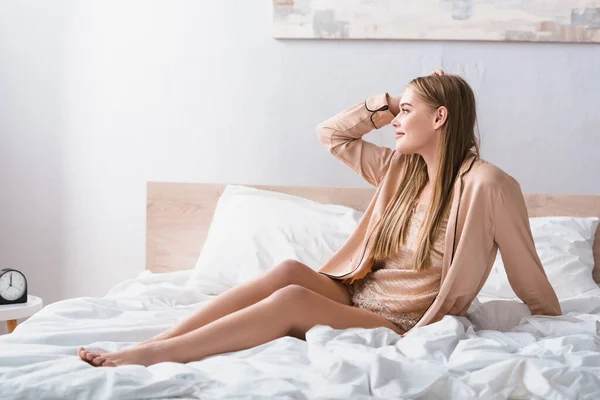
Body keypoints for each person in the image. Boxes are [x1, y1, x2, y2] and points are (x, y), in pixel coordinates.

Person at [78, 70, 561, 367]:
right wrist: (383, 104)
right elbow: (332, 135)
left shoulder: (489, 185)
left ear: (440, 119)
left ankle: (153, 356)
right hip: (357, 293)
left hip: (397, 322)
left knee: (291, 297)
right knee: (290, 270)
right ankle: (162, 338)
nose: (397, 120)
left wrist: (553, 322)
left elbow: (526, 270)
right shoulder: (402, 169)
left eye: (407, 112)